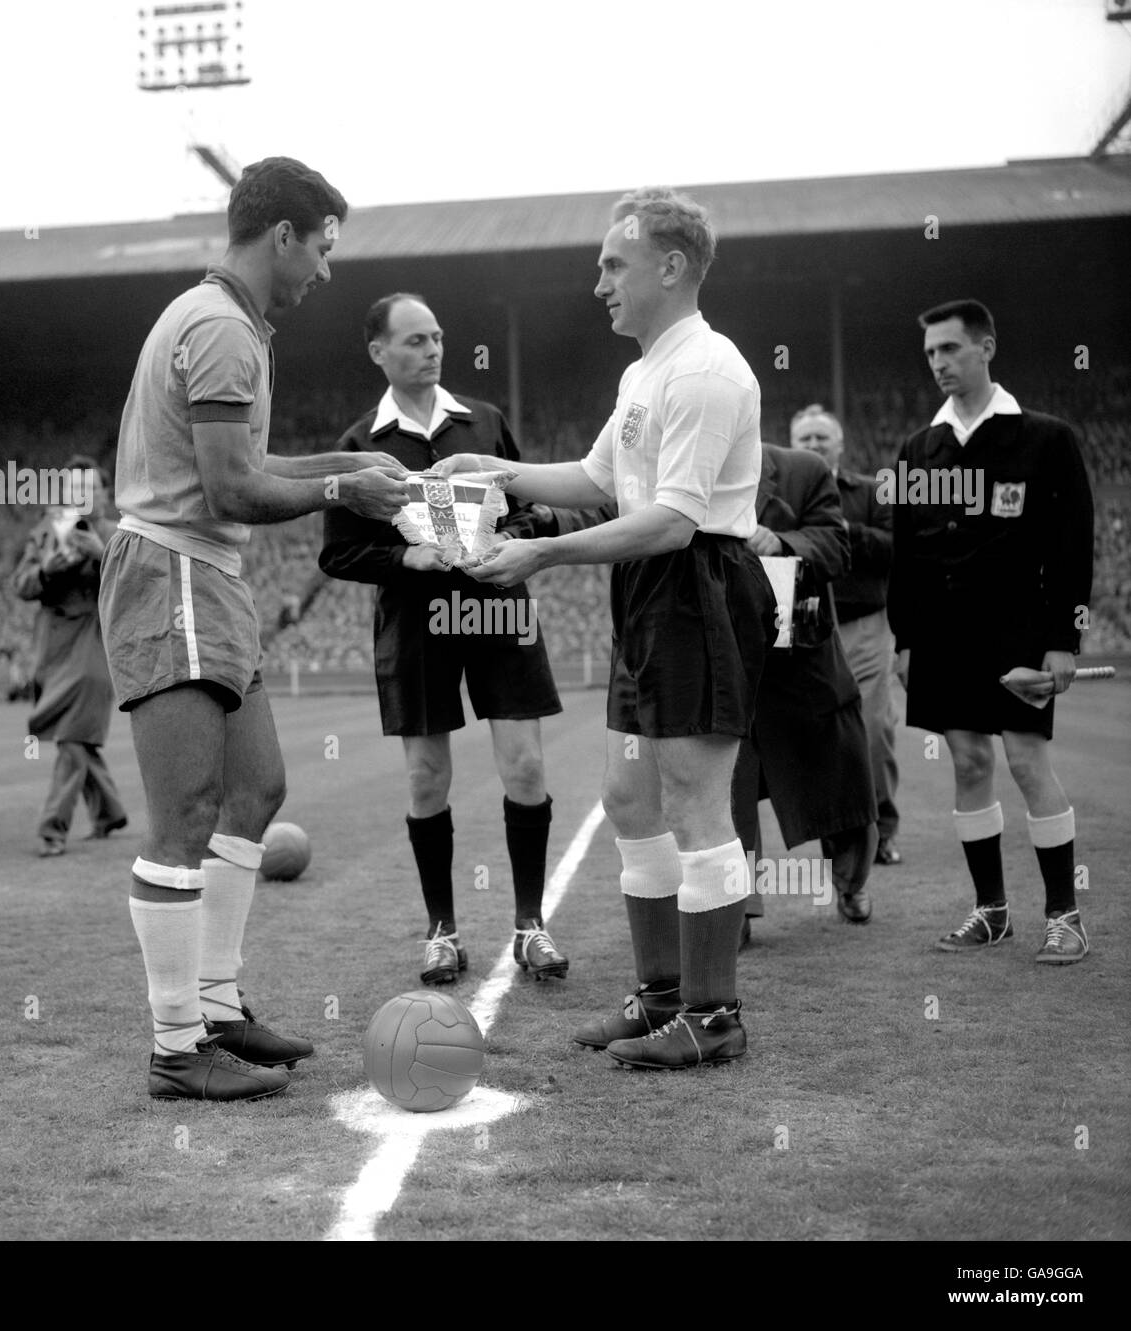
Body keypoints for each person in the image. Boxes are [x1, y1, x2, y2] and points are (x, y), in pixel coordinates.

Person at [438, 188, 776, 1071]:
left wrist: (541, 561)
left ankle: (713, 1014)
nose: (599, 285)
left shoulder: (705, 370)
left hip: (698, 585)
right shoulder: (642, 373)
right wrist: (499, 470)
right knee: (630, 798)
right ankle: (661, 996)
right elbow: (596, 477)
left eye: (612, 265)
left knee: (698, 802)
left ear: (671, 267)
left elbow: (672, 519)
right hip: (651, 590)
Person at [97, 157, 410, 1102]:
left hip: (208, 572)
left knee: (257, 788)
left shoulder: (229, 321)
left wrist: (348, 460)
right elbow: (232, 487)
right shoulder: (223, 328)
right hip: (175, 570)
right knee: (187, 814)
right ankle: (175, 1044)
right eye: (322, 246)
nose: (324, 269)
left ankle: (219, 1005)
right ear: (283, 234)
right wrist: (342, 489)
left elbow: (245, 459)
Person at [319, 294, 568, 987]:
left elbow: (536, 513)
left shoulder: (483, 421)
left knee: (524, 766)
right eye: (414, 340)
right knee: (426, 775)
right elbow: (338, 555)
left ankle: (529, 926)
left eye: (437, 337)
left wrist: (504, 539)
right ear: (379, 352)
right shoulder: (358, 444)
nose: (432, 350)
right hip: (416, 621)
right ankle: (442, 932)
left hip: (496, 609)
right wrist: (409, 560)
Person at [889, 299, 1094, 962]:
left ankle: (1065, 914)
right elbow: (907, 554)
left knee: (1028, 761)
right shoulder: (919, 449)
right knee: (969, 761)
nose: (939, 363)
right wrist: (905, 640)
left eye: (950, 349)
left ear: (986, 346)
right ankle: (991, 910)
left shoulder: (1046, 438)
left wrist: (1063, 637)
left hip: (1020, 630)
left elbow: (1071, 547)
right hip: (943, 636)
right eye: (930, 354)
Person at [734, 441, 879, 939]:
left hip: (803, 660)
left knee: (840, 770)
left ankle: (850, 881)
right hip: (728, 659)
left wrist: (781, 542)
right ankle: (737, 908)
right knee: (726, 785)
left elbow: (836, 547)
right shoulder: (686, 466)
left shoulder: (804, 471)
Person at [789, 404, 902, 865]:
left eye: (821, 437)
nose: (814, 445)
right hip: (806, 629)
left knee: (873, 730)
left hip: (864, 625)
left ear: (840, 444)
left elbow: (898, 550)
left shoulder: (874, 491)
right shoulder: (782, 499)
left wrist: (844, 532)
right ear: (792, 446)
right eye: (805, 439)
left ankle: (884, 831)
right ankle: (839, 839)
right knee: (820, 740)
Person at [11, 455, 128, 857]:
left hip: (94, 642)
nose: (83, 496)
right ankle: (109, 812)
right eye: (75, 490)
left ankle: (52, 829)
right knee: (76, 736)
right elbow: (21, 584)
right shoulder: (46, 534)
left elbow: (135, 584)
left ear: (105, 494)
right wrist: (47, 571)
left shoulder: (118, 534)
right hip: (53, 649)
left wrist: (101, 553)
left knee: (73, 740)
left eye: (91, 489)